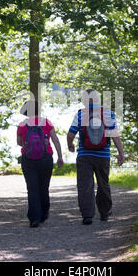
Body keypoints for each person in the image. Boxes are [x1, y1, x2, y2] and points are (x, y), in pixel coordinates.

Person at [66, 89, 125, 225]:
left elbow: (71, 134)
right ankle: (104, 213)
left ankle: (87, 215)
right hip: (103, 155)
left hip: (84, 155)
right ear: (98, 99)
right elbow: (114, 135)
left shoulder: (81, 114)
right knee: (103, 183)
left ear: (84, 101)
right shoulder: (108, 113)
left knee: (85, 185)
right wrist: (121, 153)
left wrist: (70, 145)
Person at [17, 100, 64, 228]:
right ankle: (44, 214)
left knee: (32, 188)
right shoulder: (46, 122)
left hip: (28, 159)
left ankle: (34, 218)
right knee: (44, 187)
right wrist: (60, 156)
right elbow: (55, 139)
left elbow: (20, 142)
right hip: (46, 158)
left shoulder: (22, 124)